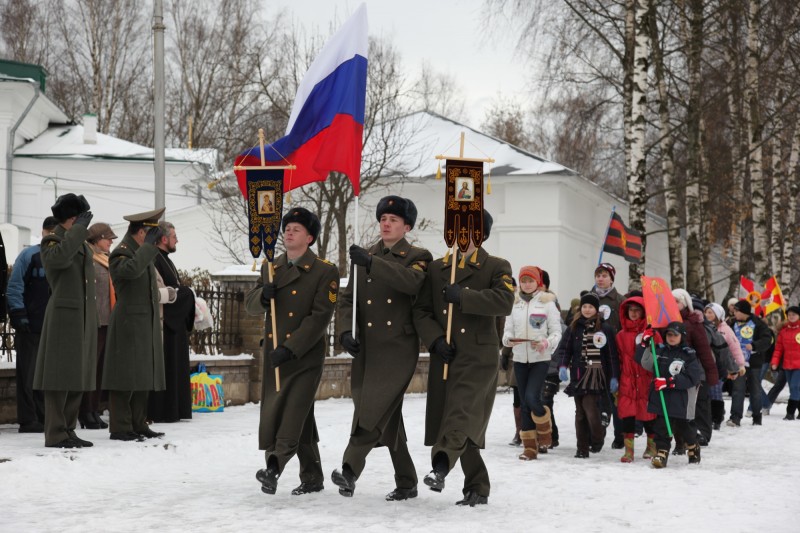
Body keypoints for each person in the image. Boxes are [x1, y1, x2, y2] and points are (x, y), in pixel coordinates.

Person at [333, 196, 433, 501]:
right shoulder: (366, 255)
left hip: (397, 349)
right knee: (384, 415)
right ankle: (407, 481)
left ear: (406, 227)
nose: (386, 224)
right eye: (383, 219)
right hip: (367, 349)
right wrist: (345, 332)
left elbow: (412, 282)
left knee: (372, 409)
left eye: (393, 220)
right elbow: (348, 299)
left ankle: (349, 470)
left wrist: (372, 264)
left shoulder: (418, 256)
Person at [413, 210, 514, 507]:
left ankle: (440, 468)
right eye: (458, 229)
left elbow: (505, 301)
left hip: (478, 358)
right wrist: (434, 340)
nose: (463, 235)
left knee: (460, 415)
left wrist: (464, 296)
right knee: (454, 419)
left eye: (471, 230)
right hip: (446, 356)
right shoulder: (437, 268)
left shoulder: (496, 266)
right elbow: (421, 311)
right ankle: (478, 486)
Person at [245, 208, 338, 497]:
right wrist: (263, 296)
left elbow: (319, 318)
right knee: (289, 414)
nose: (289, 232)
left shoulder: (324, 270)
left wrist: (290, 348)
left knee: (293, 411)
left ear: (309, 238)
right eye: (287, 228)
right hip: (275, 357)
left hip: (304, 356)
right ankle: (312, 477)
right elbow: (249, 305)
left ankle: (273, 467)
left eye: (296, 229)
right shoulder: (271, 267)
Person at [33, 193, 97, 448]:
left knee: (76, 376)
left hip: (81, 317)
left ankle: (69, 429)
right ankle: (56, 433)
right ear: (72, 219)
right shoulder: (52, 240)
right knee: (59, 377)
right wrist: (78, 231)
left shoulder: (77, 241)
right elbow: (58, 259)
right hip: (63, 317)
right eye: (80, 219)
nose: (84, 224)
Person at [102, 208, 166, 442]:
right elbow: (130, 272)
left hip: (143, 322)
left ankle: (139, 423)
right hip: (128, 322)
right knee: (124, 376)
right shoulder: (121, 253)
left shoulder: (140, 251)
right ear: (140, 233)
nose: (153, 240)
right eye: (150, 234)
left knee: (142, 376)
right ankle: (120, 426)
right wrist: (148, 247)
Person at [501, 265, 561, 460]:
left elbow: (556, 332)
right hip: (519, 359)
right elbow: (507, 331)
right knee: (525, 403)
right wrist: (508, 340)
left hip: (540, 359)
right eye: (523, 281)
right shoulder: (514, 303)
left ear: (538, 282)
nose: (527, 284)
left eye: (530, 281)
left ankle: (544, 430)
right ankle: (529, 448)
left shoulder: (547, 303)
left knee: (531, 398)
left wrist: (546, 343)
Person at [7, 216, 58, 433]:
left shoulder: (60, 256)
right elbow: (15, 286)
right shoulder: (30, 255)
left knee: (46, 375)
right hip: (31, 325)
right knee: (28, 375)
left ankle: (44, 416)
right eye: (51, 232)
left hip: (52, 326)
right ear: (45, 231)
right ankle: (28, 420)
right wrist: (19, 315)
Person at [558, 292, 619, 458]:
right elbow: (565, 349)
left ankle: (598, 437)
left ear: (596, 309)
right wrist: (563, 365)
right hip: (578, 374)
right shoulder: (574, 327)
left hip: (597, 376)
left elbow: (612, 355)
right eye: (584, 306)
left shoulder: (605, 328)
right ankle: (582, 449)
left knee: (591, 410)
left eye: (590, 306)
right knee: (580, 414)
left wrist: (614, 376)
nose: (587, 309)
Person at [635, 321, 704, 468]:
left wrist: (669, 382)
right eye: (669, 334)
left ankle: (693, 446)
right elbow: (644, 363)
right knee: (661, 427)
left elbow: (693, 377)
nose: (671, 338)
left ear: (682, 336)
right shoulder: (660, 351)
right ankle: (662, 453)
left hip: (681, 400)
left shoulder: (688, 354)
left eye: (675, 335)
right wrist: (644, 344)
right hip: (662, 398)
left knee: (685, 427)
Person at [148, 221, 195, 423]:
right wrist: (186, 295)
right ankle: (164, 411)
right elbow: (160, 292)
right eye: (174, 237)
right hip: (165, 324)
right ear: (164, 238)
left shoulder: (165, 259)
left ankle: (177, 409)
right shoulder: (154, 259)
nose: (177, 240)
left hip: (174, 323)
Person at [76, 223, 118, 430]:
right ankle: (85, 411)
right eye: (107, 238)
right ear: (96, 239)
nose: (111, 241)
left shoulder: (106, 259)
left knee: (101, 369)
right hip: (94, 322)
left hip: (107, 320)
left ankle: (94, 409)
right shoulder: (88, 259)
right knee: (90, 369)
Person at [671, 289, 718, 448]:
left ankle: (702, 433)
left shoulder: (693, 323)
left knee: (697, 405)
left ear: (685, 303)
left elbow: (704, 350)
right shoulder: (666, 321)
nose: (674, 304)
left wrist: (711, 373)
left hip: (691, 370)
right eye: (672, 301)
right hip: (671, 369)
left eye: (677, 301)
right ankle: (679, 440)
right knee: (676, 406)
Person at [615, 295, 657, 462]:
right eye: (630, 310)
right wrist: (616, 378)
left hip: (646, 379)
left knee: (649, 415)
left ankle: (651, 446)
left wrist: (651, 339)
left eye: (637, 310)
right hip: (628, 380)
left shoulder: (651, 333)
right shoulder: (620, 335)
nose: (633, 313)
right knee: (628, 415)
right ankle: (629, 450)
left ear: (643, 312)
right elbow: (618, 358)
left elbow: (659, 355)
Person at [590, 262, 625, 448]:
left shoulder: (620, 300)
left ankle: (620, 436)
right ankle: (597, 437)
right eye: (598, 275)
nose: (600, 279)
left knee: (615, 397)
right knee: (595, 398)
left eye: (604, 276)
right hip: (593, 354)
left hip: (613, 354)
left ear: (611, 279)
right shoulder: (589, 298)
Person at [728, 300, 772, 427]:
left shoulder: (758, 323)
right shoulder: (732, 323)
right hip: (738, 363)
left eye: (737, 311)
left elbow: (767, 339)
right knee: (738, 389)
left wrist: (754, 346)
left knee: (755, 390)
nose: (734, 313)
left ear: (744, 312)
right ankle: (735, 417)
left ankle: (757, 417)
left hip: (754, 362)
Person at [702, 303, 745, 430]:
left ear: (718, 314)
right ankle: (711, 415)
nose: (707, 315)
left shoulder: (725, 329)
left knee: (715, 391)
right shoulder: (703, 327)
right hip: (706, 365)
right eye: (706, 312)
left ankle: (716, 418)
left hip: (720, 366)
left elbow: (735, 347)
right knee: (707, 393)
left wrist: (740, 364)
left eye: (710, 312)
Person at [499, 278, 520, 446]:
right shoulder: (502, 302)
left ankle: (540, 432)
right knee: (518, 397)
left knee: (533, 398)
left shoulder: (521, 304)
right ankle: (519, 432)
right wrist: (505, 354)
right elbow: (508, 332)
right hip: (516, 356)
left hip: (534, 357)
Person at [770, 305, 800, 420]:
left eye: (794, 314)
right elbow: (778, 349)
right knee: (794, 388)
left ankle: (790, 413)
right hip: (787, 365)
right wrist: (774, 362)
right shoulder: (783, 331)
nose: (791, 316)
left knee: (794, 386)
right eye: (789, 315)